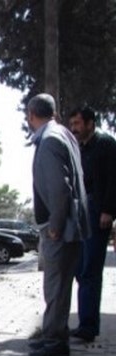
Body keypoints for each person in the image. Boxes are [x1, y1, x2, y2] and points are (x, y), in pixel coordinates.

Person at [27, 93, 90, 356]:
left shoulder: (50, 140)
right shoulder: (64, 134)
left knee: (55, 286)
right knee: (59, 285)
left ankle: (54, 341)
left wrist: (54, 224)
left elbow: (58, 187)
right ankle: (54, 335)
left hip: (61, 228)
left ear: (31, 115)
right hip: (71, 225)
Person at [67, 106, 116, 343]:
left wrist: (108, 210)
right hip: (82, 212)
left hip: (99, 213)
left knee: (90, 270)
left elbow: (113, 180)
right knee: (79, 267)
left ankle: (88, 326)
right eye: (72, 124)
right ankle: (85, 321)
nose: (74, 129)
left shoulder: (106, 144)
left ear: (90, 123)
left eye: (77, 124)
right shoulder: (80, 148)